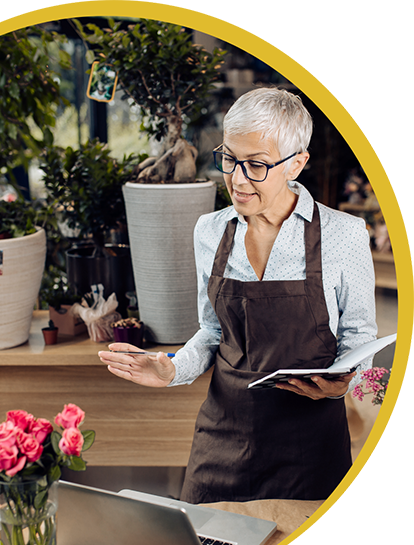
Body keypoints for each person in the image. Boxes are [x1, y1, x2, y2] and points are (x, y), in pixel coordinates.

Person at [98, 87, 377, 503]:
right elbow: (212, 332)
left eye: (257, 165)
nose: (237, 178)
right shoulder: (210, 231)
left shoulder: (345, 234)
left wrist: (344, 384)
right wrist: (172, 370)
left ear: (296, 164)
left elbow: (359, 338)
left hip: (310, 444)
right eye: (229, 159)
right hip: (222, 436)